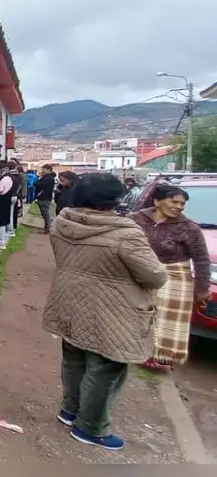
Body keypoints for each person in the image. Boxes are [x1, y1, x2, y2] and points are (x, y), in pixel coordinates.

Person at [42, 172, 168, 451]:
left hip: (68, 301)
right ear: (114, 200)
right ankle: (91, 427)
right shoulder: (125, 233)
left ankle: (70, 410)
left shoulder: (63, 222)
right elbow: (155, 276)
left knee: (74, 360)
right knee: (106, 368)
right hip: (111, 312)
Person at [130, 185, 212, 371]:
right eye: (174, 201)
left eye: (182, 204)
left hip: (174, 276)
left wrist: (202, 290)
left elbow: (201, 260)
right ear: (157, 201)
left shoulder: (189, 228)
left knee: (168, 317)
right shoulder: (135, 220)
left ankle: (161, 357)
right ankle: (136, 350)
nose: (179, 207)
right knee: (139, 312)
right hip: (141, 272)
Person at [34, 164, 57, 232]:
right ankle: (47, 227)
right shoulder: (47, 177)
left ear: (48, 170)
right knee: (44, 213)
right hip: (44, 197)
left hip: (44, 197)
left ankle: (48, 228)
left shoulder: (48, 178)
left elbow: (37, 183)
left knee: (45, 213)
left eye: (44, 169)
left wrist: (39, 179)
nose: (42, 171)